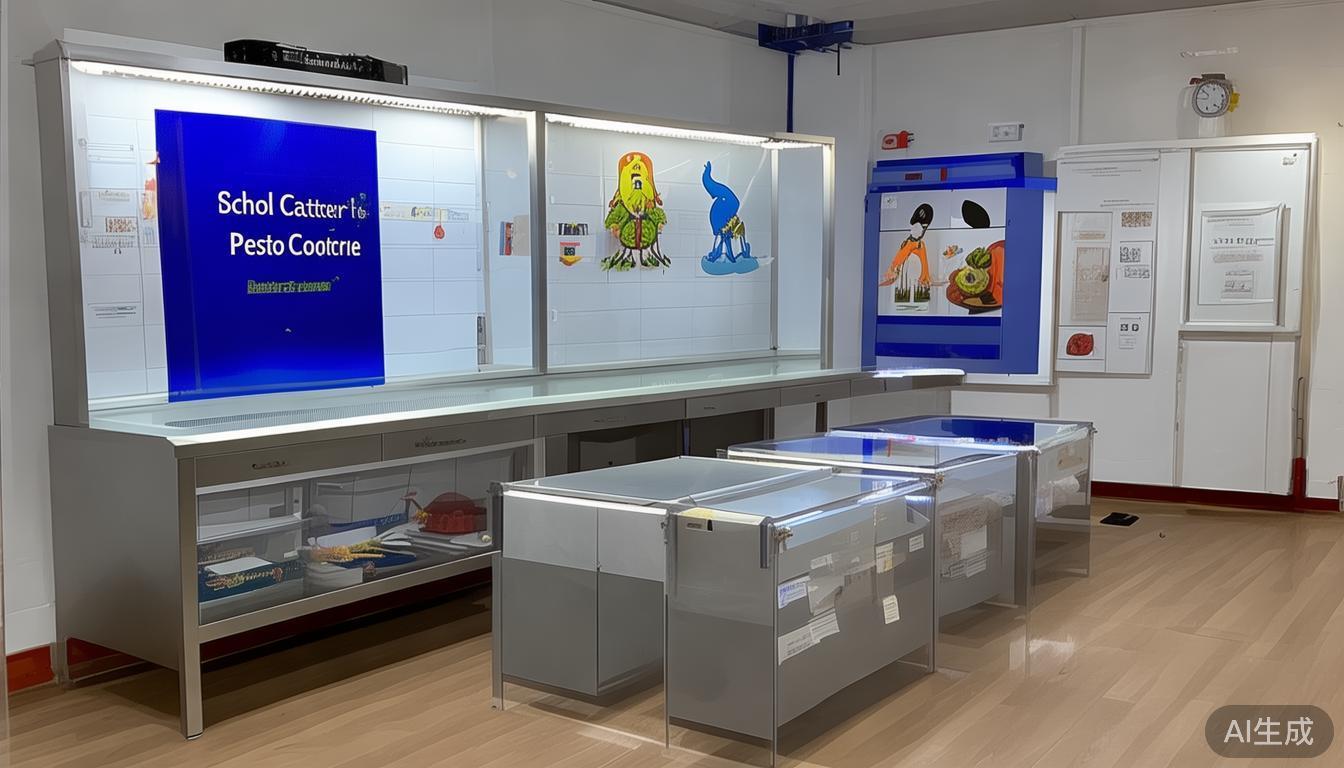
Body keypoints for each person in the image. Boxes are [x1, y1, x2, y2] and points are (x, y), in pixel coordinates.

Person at [881, 203, 933, 288]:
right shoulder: (908, 244)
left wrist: (925, 279)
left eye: (924, 228)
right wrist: (892, 271)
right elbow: (894, 267)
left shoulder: (920, 245)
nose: (922, 230)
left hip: (914, 285)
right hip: (904, 285)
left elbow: (925, 270)